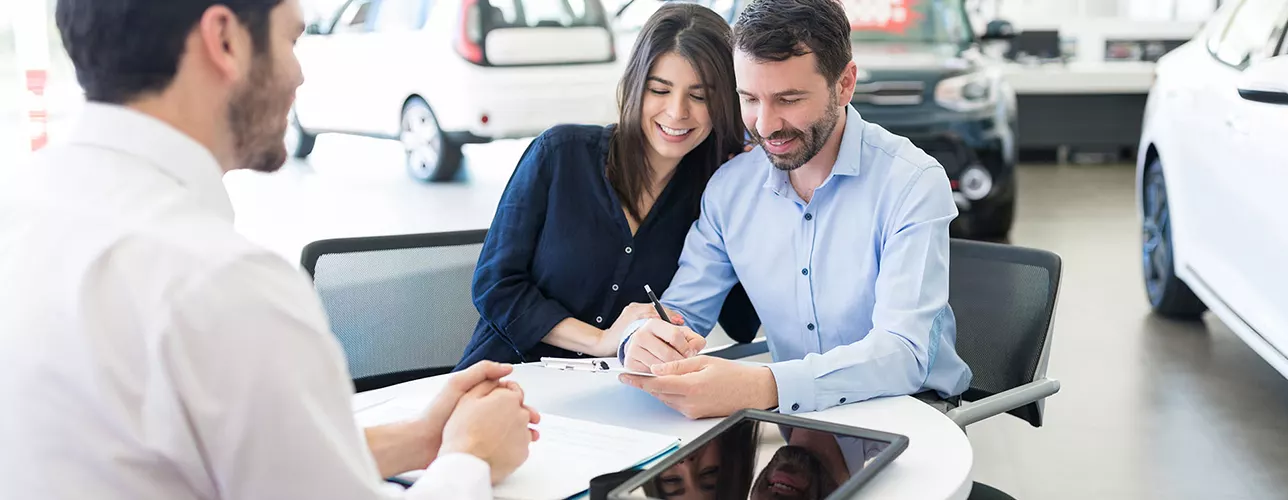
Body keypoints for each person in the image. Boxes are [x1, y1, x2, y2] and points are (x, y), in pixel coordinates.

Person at [0, 0, 538, 497]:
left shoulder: (22, 208)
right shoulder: (222, 282)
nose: (299, 73)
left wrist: (422, 439)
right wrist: (469, 457)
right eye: (290, 39)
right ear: (225, 40)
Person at [617, 0, 972, 419]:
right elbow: (684, 313)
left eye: (788, 99)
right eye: (749, 98)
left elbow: (904, 352)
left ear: (845, 84)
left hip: (910, 413)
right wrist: (645, 336)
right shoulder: (730, 190)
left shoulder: (911, 182)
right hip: (795, 418)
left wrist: (764, 385)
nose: (765, 125)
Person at [456, 3, 759, 368]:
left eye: (699, 96)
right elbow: (495, 286)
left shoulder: (712, 194)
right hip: (507, 380)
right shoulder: (560, 155)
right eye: (659, 90)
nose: (677, 112)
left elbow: (742, 324)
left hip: (617, 400)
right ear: (634, 86)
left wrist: (749, 194)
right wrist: (602, 341)